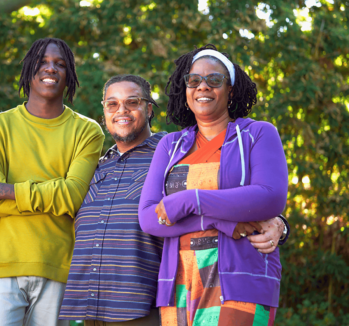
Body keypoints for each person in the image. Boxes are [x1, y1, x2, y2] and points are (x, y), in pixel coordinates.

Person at [58, 75, 289, 326]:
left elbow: (218, 187)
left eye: (132, 102)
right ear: (103, 111)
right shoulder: (95, 165)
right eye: (112, 104)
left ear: (148, 109)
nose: (121, 110)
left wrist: (277, 222)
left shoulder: (171, 155)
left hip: (140, 308)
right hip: (83, 309)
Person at [138, 44, 289, 325]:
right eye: (194, 80)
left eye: (214, 80)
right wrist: (221, 222)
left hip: (243, 279)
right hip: (179, 285)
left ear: (230, 89)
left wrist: (191, 200)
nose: (202, 87)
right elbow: (149, 218)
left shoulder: (257, 134)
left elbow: (271, 197)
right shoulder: (170, 146)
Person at [0, 38, 105, 326]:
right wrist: (51, 196)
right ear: (29, 68)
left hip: (56, 267)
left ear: (69, 76)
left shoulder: (87, 131)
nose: (51, 68)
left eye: (60, 64)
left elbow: (72, 197)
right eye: (43, 61)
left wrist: (5, 191)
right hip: (0, 266)